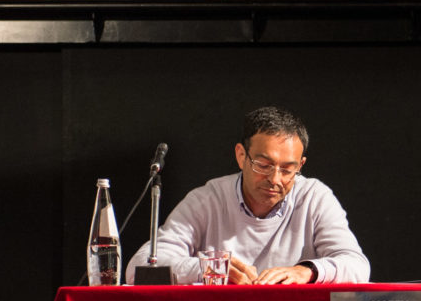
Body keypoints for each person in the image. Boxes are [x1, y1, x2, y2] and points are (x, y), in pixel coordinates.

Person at [125, 105, 370, 285]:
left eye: (287, 169)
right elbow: (138, 269)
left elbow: (357, 266)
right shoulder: (208, 200)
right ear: (241, 156)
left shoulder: (314, 197)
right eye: (263, 165)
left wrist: (307, 271)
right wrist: (210, 269)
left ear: (301, 165)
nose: (275, 179)